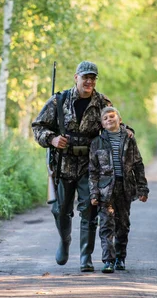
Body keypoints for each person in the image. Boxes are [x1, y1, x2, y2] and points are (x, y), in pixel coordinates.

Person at [32, 61, 128, 272]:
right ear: (76, 77)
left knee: (90, 211)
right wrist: (52, 139)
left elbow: (114, 123)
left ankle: (86, 257)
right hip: (63, 165)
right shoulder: (59, 100)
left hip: (90, 167)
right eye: (85, 77)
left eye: (93, 78)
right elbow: (38, 127)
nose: (89, 81)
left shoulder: (102, 102)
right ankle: (64, 241)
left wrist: (126, 132)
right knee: (60, 210)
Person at [89, 106, 149, 273]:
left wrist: (143, 188)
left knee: (123, 225)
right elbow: (93, 171)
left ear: (119, 119)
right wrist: (94, 193)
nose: (109, 119)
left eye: (112, 116)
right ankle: (108, 260)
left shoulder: (129, 139)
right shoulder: (97, 142)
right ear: (102, 124)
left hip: (125, 188)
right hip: (105, 191)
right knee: (106, 226)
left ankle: (120, 258)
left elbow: (138, 164)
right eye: (105, 118)